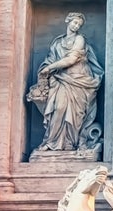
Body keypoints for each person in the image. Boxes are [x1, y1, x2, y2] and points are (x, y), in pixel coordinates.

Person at [28, 13, 103, 154]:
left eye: (79, 25)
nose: (76, 26)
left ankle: (70, 144)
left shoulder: (79, 39)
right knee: (59, 108)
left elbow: (71, 59)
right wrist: (46, 69)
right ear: (68, 21)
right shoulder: (57, 42)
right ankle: (51, 142)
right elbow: (50, 59)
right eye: (74, 22)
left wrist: (50, 68)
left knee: (76, 114)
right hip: (61, 79)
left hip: (79, 80)